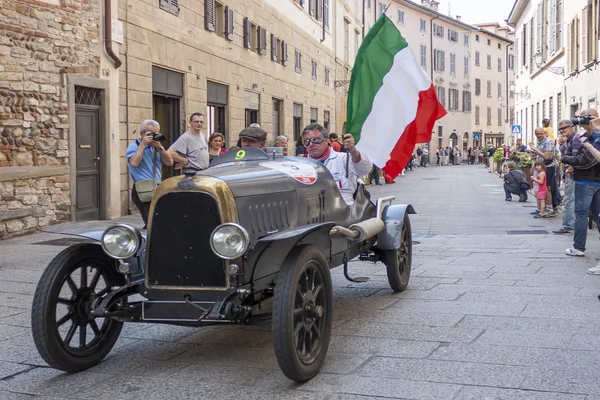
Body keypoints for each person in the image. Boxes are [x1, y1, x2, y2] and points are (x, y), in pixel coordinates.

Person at [560, 110, 600, 258]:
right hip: (590, 180)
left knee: (582, 214)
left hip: (587, 181)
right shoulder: (587, 136)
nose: (581, 120)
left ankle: (578, 248)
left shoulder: (595, 137)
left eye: (585, 117)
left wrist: (565, 159)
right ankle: (578, 247)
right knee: (596, 214)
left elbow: (586, 160)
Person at [302, 123, 372, 205]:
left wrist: (353, 152)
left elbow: (364, 169)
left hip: (343, 209)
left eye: (316, 140)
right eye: (306, 141)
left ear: (326, 140)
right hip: (313, 211)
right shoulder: (301, 166)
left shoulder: (343, 159)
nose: (311, 144)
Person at [126, 119, 174, 229]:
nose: (154, 136)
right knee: (151, 222)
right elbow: (134, 163)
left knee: (159, 220)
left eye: (156, 134)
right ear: (142, 134)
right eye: (151, 134)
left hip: (157, 187)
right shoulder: (133, 147)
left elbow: (169, 162)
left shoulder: (155, 148)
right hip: (143, 190)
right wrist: (143, 144)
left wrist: (160, 147)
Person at [553, 120, 581, 235]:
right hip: (572, 173)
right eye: (560, 129)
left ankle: (567, 226)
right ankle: (572, 224)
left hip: (572, 174)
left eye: (564, 128)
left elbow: (575, 157)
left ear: (572, 127)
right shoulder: (570, 140)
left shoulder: (575, 140)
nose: (562, 131)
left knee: (569, 200)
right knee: (572, 200)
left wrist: (570, 167)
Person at [529, 127, 560, 215]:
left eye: (541, 133)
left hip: (548, 167)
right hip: (540, 168)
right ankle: (542, 208)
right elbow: (540, 155)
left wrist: (536, 150)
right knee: (541, 188)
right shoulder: (539, 142)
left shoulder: (548, 142)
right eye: (537, 134)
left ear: (544, 133)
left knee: (548, 188)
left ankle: (550, 208)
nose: (539, 135)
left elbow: (546, 156)